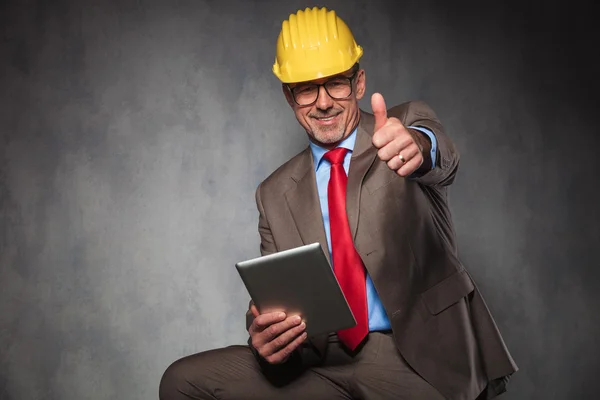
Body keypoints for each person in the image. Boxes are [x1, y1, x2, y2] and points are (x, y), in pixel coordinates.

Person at [159, 6, 518, 400]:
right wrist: (262, 329)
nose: (324, 102)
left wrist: (417, 148)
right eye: (306, 88)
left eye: (337, 84)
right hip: (319, 364)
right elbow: (276, 293)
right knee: (183, 382)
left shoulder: (401, 127)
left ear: (359, 82)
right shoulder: (273, 191)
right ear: (289, 95)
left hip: (415, 358)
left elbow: (440, 155)